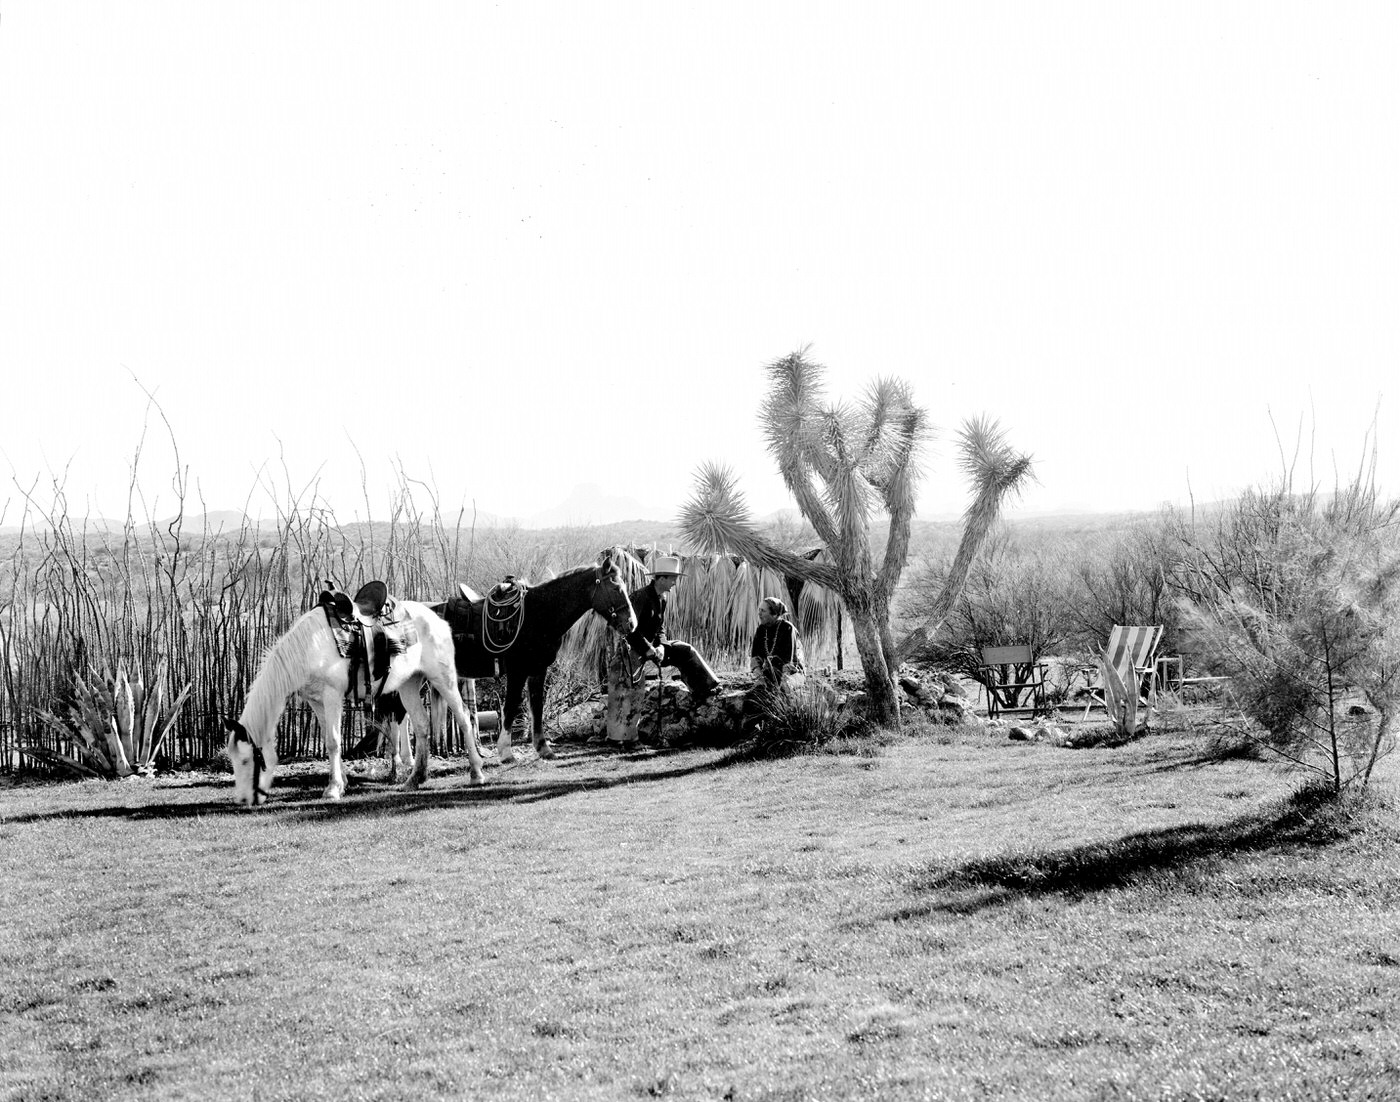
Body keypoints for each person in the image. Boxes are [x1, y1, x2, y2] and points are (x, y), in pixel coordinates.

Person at [625, 554, 721, 707]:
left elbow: (660, 628)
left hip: (654, 649)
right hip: (634, 649)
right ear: (661, 579)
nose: (674, 583)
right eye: (672, 579)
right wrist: (647, 648)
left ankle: (704, 690)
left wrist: (662, 647)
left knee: (685, 650)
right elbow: (629, 629)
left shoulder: (661, 599)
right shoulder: (640, 597)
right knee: (631, 692)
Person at [749, 596, 805, 690]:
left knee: (784, 687)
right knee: (759, 689)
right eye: (759, 610)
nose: (759, 614)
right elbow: (755, 657)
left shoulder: (787, 628)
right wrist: (758, 674)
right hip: (770, 672)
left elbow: (789, 663)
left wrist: (782, 680)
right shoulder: (761, 630)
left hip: (793, 673)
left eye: (763, 611)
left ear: (774, 614)